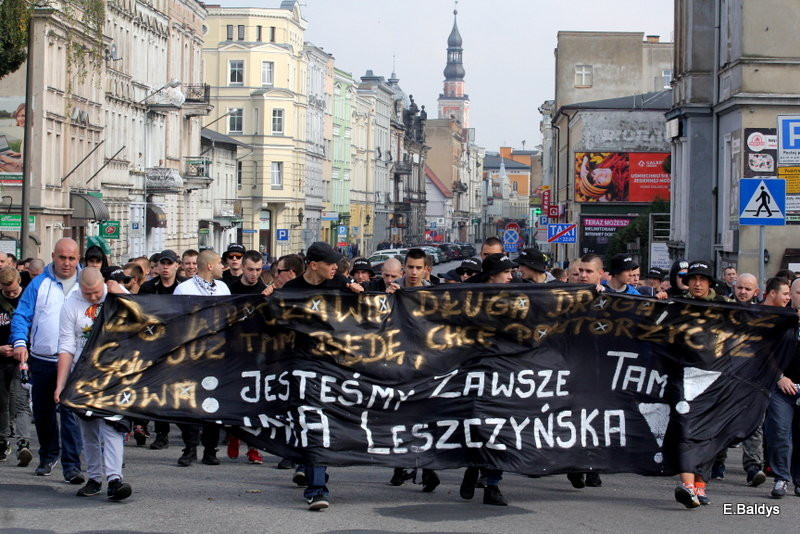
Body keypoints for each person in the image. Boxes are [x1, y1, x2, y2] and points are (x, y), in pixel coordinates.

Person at [281, 242, 363, 511]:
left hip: (333, 365)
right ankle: (315, 483)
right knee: (310, 421)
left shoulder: (341, 283)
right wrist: (267, 296)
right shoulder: (292, 291)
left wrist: (365, 295)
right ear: (314, 265)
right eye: (331, 264)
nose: (336, 268)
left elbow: (366, 312)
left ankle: (314, 477)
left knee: (320, 422)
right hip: (301, 365)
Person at [9, 238, 84, 483]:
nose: (66, 263)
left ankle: (72, 465)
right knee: (43, 413)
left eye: (72, 258)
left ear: (78, 258)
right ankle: (48, 455)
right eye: (62, 257)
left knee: (70, 413)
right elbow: (21, 315)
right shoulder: (39, 283)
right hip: (43, 359)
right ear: (53, 256)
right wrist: (20, 342)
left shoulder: (87, 283)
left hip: (74, 362)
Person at [53, 267, 132, 500]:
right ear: (80, 288)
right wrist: (60, 384)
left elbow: (142, 315)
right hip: (83, 374)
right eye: (87, 294)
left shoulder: (115, 294)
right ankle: (95, 478)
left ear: (103, 284)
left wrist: (121, 293)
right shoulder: (70, 305)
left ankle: (115, 479)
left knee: (112, 427)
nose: (94, 297)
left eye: (97, 292)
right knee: (88, 429)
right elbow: (66, 347)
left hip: (113, 373)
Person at [674, 260, 732, 508]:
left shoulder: (726, 307)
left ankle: (700, 485)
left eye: (702, 279)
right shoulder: (676, 305)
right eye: (693, 279)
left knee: (709, 433)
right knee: (684, 429)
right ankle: (687, 485)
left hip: (716, 379)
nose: (697, 284)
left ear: (710, 283)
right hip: (682, 377)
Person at [460, 253, 517, 506]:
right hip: (474, 370)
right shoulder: (470, 292)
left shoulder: (519, 293)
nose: (511, 276)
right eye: (506, 272)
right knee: (475, 427)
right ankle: (473, 466)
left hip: (506, 371)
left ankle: (492, 483)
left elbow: (554, 295)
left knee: (499, 429)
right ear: (494, 274)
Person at [172, 250, 230, 467]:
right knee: (189, 403)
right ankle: (189, 447)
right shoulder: (184, 289)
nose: (222, 267)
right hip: (191, 355)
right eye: (219, 264)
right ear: (209, 266)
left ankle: (210, 449)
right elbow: (176, 320)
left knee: (213, 402)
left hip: (216, 354)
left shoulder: (223, 288)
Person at [134, 250, 186, 449]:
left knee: (179, 391)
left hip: (178, 343)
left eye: (169, 263)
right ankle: (161, 434)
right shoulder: (149, 286)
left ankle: (189, 432)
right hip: (155, 343)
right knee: (158, 390)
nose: (165, 267)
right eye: (162, 263)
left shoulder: (184, 287)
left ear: (176, 265)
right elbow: (140, 313)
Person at [224, 250, 267, 465]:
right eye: (250, 269)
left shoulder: (264, 290)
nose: (254, 274)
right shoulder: (231, 289)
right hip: (234, 351)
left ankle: (254, 447)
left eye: (258, 270)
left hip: (257, 353)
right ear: (243, 267)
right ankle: (234, 435)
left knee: (256, 401)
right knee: (235, 398)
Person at [764, 276, 800, 498]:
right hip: (781, 388)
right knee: (779, 433)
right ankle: (781, 478)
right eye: (798, 293)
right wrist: (779, 377)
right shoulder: (779, 320)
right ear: (791, 296)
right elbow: (764, 352)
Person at [0, 266, 32, 466]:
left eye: (13, 290)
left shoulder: (28, 300)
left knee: (21, 402)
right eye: (6, 291)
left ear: (19, 281)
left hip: (23, 359)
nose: (11, 294)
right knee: (1, 403)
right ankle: (2, 441)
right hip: (1, 358)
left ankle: (23, 444)